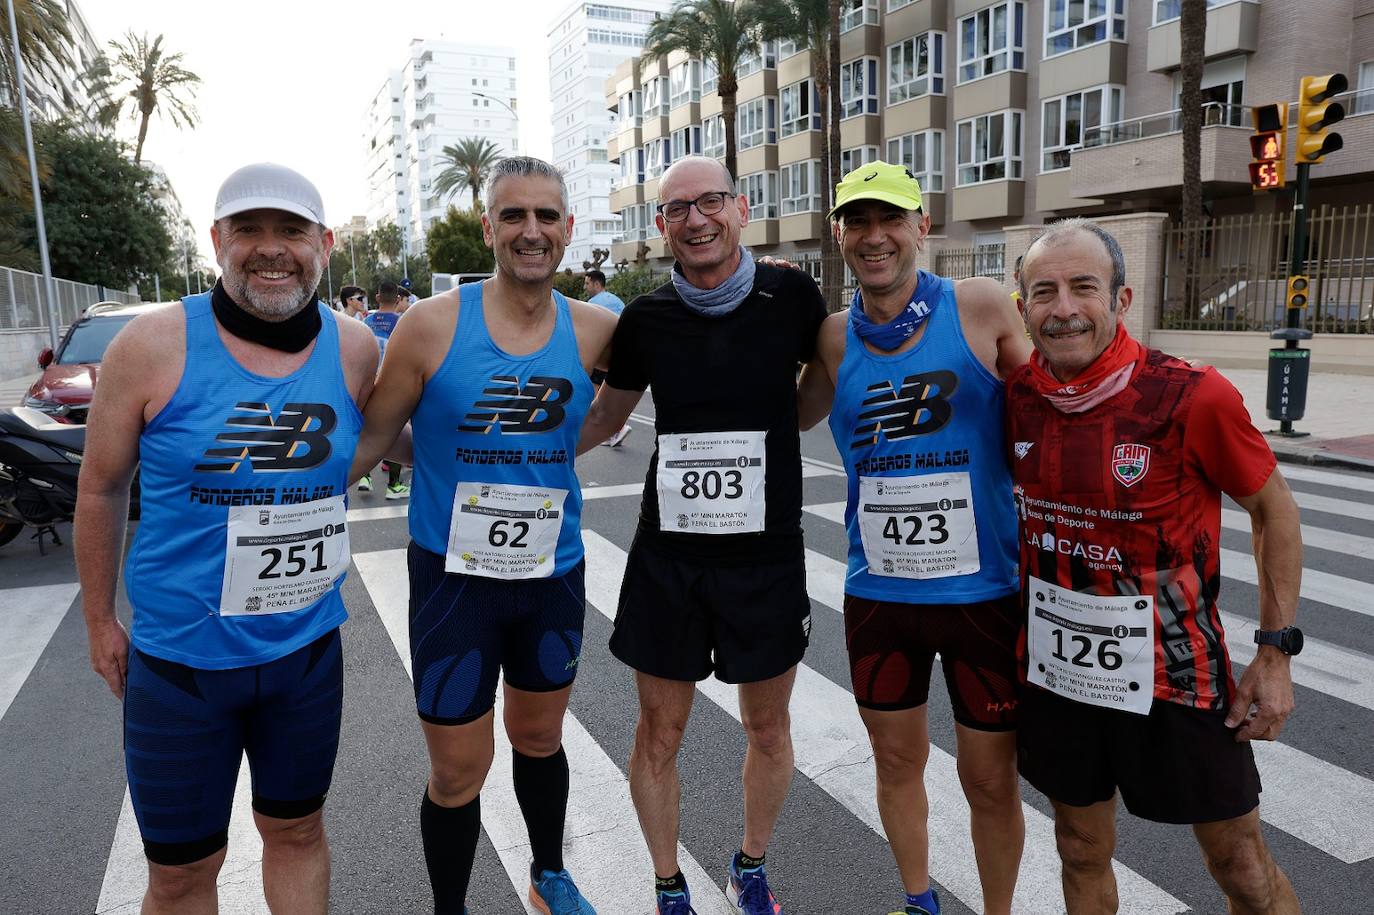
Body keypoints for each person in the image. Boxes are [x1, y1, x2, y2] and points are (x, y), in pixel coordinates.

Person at [75, 162, 377, 914]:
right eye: (249, 229)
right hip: (181, 667)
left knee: (300, 830)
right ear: (216, 241)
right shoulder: (151, 345)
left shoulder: (355, 348)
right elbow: (101, 485)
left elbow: (410, 431)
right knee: (181, 874)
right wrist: (100, 619)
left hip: (305, 656)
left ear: (325, 244)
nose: (270, 249)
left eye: (291, 231)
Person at [1008, 218, 1303, 914]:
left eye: (1085, 286)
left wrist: (1275, 650)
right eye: (1044, 292)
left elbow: (1275, 511)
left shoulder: (1191, 394)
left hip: (1178, 674)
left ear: (1122, 297)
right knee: (1079, 848)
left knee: (1238, 864)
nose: (1065, 307)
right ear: (1023, 309)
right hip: (1060, 673)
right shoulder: (1017, 396)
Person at [349, 156, 616, 915]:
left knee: (539, 738)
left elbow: (607, 420)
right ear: (488, 225)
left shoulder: (598, 329)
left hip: (550, 578)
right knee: (458, 770)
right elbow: (372, 441)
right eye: (513, 215)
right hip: (451, 583)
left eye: (545, 216)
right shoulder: (430, 327)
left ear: (566, 228)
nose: (530, 231)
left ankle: (548, 873)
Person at [578, 155, 828, 915]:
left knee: (769, 725)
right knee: (660, 729)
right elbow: (607, 417)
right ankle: (667, 883)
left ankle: (750, 864)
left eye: (710, 201)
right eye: (678, 208)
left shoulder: (793, 295)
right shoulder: (646, 320)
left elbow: (822, 393)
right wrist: (507, 460)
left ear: (741, 207)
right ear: (660, 227)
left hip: (767, 555)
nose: (696, 218)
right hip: (670, 559)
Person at [795, 161, 1030, 915]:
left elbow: (1055, 413)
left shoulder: (982, 306)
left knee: (989, 778)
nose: (874, 237)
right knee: (896, 760)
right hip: (879, 592)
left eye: (889, 219)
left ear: (921, 226)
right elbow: (788, 416)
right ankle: (918, 900)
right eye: (856, 222)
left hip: (983, 592)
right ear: (839, 235)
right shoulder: (833, 336)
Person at [359, 281, 409, 499]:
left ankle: (365, 477)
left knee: (364, 432)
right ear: (398, 299)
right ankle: (394, 485)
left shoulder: (365, 321)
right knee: (393, 433)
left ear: (378, 298)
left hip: (367, 384)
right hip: (393, 386)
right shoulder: (404, 322)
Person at [581, 271, 632, 447]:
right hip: (620, 354)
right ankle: (616, 428)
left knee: (597, 395)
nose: (585, 287)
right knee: (613, 396)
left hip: (600, 352)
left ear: (596, 284)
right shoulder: (617, 301)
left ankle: (617, 429)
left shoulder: (591, 305)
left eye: (587, 283)